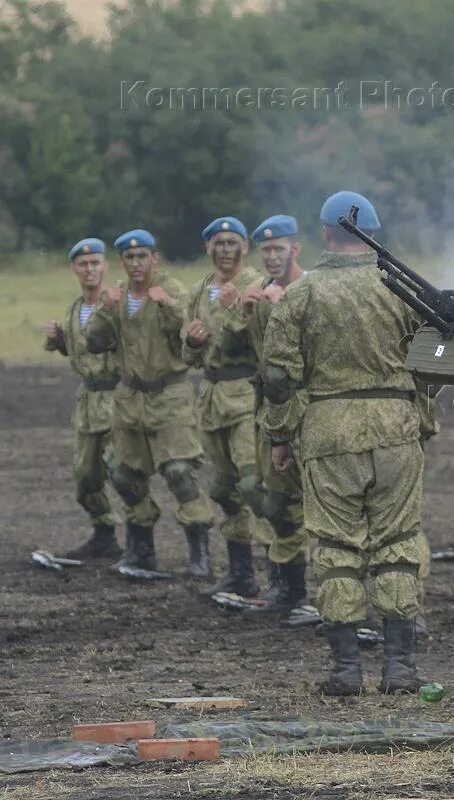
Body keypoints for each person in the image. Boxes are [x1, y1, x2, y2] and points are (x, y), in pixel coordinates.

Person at [262, 191, 431, 695]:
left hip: (327, 428)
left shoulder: (301, 294)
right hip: (395, 425)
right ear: (373, 235)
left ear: (322, 236)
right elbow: (435, 355)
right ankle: (399, 666)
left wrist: (280, 433)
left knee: (337, 545)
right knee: (398, 543)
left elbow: (277, 375)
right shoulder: (400, 288)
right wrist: (417, 409)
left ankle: (345, 669)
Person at [87, 229, 214, 574]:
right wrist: (104, 309)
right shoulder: (117, 296)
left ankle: (199, 552)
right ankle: (141, 549)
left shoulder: (172, 291)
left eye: (143, 256)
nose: (137, 263)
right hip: (129, 397)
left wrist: (168, 306)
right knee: (124, 473)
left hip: (169, 395)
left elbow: (188, 336)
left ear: (155, 258)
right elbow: (94, 342)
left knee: (178, 473)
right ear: (122, 262)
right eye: (130, 257)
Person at [230, 214, 309, 614]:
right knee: (276, 503)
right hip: (269, 411)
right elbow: (231, 349)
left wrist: (286, 307)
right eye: (266, 251)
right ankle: (287, 586)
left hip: (306, 412)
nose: (272, 257)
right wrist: (241, 311)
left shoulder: (309, 289)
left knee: (310, 502)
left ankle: (323, 591)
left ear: (296, 248)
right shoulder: (259, 291)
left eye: (279, 249)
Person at [184, 217, 265, 598]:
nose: (226, 249)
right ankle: (241, 573)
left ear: (245, 248)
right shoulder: (200, 289)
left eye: (233, 242)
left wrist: (235, 312)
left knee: (255, 486)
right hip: (213, 398)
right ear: (208, 248)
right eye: (219, 242)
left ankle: (285, 579)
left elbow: (261, 340)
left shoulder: (257, 286)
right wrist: (194, 343)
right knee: (223, 489)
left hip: (246, 394)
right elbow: (188, 352)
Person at [43, 238, 121, 559]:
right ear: (74, 269)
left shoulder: (117, 304)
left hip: (117, 398)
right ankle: (104, 535)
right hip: (88, 401)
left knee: (123, 473)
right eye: (82, 264)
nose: (89, 269)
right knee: (85, 477)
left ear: (105, 267)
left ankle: (144, 546)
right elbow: (81, 351)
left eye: (94, 263)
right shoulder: (74, 309)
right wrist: (60, 341)